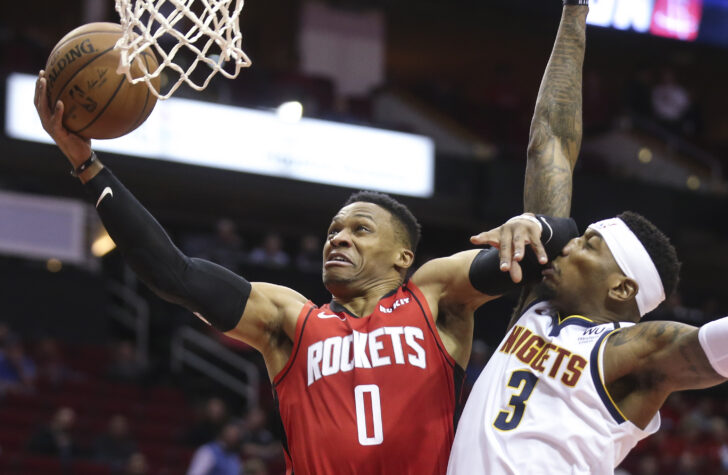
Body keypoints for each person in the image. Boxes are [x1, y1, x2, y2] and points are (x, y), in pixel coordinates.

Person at [32, 2, 582, 469]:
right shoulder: (290, 321)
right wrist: (87, 164)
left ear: (403, 257)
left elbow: (556, 242)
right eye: (333, 230)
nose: (337, 239)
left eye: (360, 230)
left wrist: (535, 225)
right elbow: (174, 274)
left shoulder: (432, 296)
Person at [448, 3, 728, 473]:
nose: (569, 242)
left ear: (621, 288)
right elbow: (551, 142)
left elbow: (711, 347)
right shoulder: (538, 302)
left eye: (588, 245)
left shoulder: (633, 352)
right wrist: (574, 13)